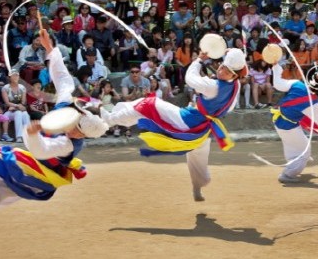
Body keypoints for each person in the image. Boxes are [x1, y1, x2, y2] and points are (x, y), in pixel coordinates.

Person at [0, 29, 108, 219]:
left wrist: (32, 134)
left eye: (81, 135)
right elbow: (63, 78)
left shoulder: (68, 145)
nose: (77, 135)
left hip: (36, 176)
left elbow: (40, 150)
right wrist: (50, 47)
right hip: (30, 164)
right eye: (78, 129)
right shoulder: (66, 105)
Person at [100, 48, 248, 201]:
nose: (221, 70)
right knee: (198, 157)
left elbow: (189, 78)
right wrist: (231, 52)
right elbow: (242, 71)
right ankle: (197, 188)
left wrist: (199, 60)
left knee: (149, 103)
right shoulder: (235, 87)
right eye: (222, 65)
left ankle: (111, 119)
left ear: (235, 74)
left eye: (227, 71)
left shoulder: (213, 86)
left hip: (186, 121)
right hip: (203, 130)